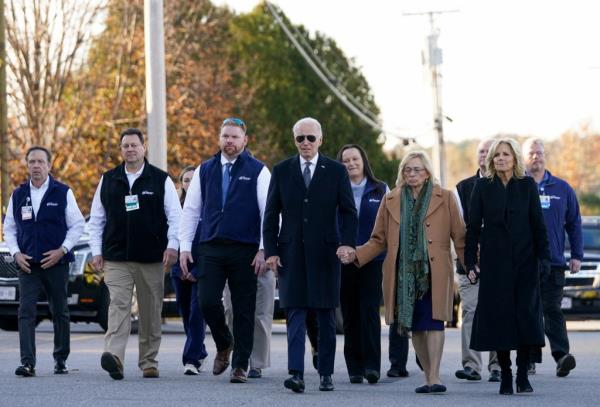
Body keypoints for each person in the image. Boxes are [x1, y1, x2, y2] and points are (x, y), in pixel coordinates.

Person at [347, 150, 465, 394]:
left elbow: (460, 237)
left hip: (435, 270)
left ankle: (434, 376)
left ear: (427, 173)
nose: (412, 174)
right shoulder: (391, 199)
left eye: (417, 169)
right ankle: (427, 375)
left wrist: (471, 265)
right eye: (407, 170)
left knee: (434, 322)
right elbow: (378, 239)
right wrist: (356, 254)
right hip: (402, 274)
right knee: (417, 325)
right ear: (402, 173)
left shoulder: (446, 197)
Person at [263, 117, 358, 393]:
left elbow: (348, 212)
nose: (305, 143)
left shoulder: (336, 171)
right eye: (300, 138)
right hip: (290, 254)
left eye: (310, 138)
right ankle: (296, 373)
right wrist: (271, 251)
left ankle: (326, 373)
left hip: (326, 254)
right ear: (294, 141)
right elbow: (270, 215)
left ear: (321, 140)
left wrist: (347, 243)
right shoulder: (281, 171)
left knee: (326, 316)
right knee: (295, 315)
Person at [179, 117, 270, 384]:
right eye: (225, 136)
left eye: (234, 137)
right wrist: (185, 248)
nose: (229, 141)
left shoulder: (259, 170)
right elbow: (191, 210)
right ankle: (224, 342)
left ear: (245, 140)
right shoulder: (204, 170)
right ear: (219, 139)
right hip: (211, 247)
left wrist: (264, 249)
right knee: (207, 300)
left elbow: (269, 213)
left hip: (245, 250)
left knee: (244, 309)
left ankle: (240, 366)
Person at [88, 128, 182, 380]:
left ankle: (149, 361)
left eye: (134, 145)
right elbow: (96, 220)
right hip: (116, 257)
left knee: (150, 310)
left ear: (143, 148)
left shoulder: (160, 179)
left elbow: (176, 217)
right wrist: (96, 251)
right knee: (118, 305)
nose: (129, 149)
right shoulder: (108, 180)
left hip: (151, 257)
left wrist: (173, 245)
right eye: (125, 146)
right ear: (121, 150)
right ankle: (114, 356)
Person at [465, 138, 551, 395]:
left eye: (506, 154)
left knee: (525, 317)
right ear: (491, 159)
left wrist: (544, 258)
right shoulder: (482, 187)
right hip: (494, 264)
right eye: (497, 155)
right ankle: (505, 373)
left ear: (515, 158)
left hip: (526, 262)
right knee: (499, 319)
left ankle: (523, 373)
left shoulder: (527, 186)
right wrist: (470, 261)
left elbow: (538, 225)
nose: (501, 158)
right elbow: (472, 229)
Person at [3, 146, 85, 377]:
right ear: (27, 165)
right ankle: (27, 362)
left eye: (40, 162)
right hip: (28, 264)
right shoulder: (18, 194)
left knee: (60, 311)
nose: (36, 166)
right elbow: (9, 228)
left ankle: (61, 359)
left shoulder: (62, 192)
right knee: (25, 312)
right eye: (31, 162)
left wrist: (63, 250)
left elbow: (78, 225)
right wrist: (17, 253)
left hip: (56, 263)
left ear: (49, 165)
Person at [523, 137, 582, 377]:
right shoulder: (519, 186)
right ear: (524, 158)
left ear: (545, 155)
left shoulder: (562, 188)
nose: (536, 157)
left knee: (552, 309)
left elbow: (574, 223)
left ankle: (561, 356)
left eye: (539, 152)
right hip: (524, 261)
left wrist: (576, 255)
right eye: (531, 153)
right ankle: (528, 359)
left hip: (554, 262)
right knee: (527, 310)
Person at [336, 144, 389, 384]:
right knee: (350, 314)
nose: (351, 164)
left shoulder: (380, 189)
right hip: (343, 259)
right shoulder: (335, 188)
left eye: (355, 158)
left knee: (369, 312)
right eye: (345, 160)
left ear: (363, 160)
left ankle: (372, 366)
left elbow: (385, 228)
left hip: (372, 260)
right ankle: (354, 368)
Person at [454, 139, 501, 383]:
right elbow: (460, 229)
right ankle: (472, 365)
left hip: (499, 263)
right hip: (469, 263)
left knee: (496, 312)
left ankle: (497, 365)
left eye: (488, 151)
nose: (484, 155)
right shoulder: (462, 188)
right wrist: (470, 259)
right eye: (481, 151)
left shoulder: (506, 185)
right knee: (471, 311)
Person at [171, 166, 208, 375]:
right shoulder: (175, 207)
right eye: (186, 180)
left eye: (193, 180)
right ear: (181, 183)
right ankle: (199, 350)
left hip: (202, 268)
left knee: (196, 313)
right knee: (185, 312)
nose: (190, 183)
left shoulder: (208, 206)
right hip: (179, 268)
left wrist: (199, 268)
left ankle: (191, 359)